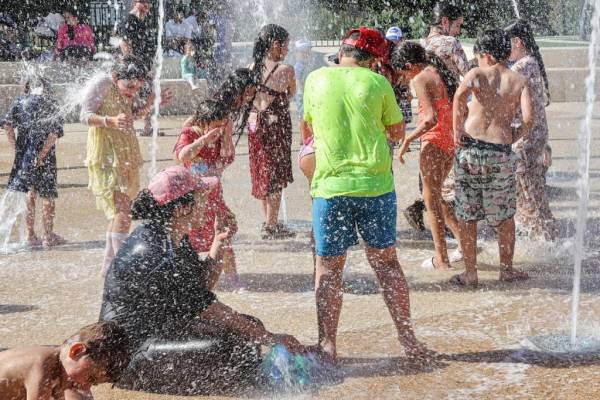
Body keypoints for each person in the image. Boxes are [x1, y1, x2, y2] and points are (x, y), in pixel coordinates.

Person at [302, 27, 431, 362]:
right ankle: (408, 339)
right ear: (374, 60)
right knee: (387, 264)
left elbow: (308, 129)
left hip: (330, 188)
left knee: (328, 269)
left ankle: (327, 345)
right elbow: (397, 130)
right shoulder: (378, 83)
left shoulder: (315, 80)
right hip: (375, 187)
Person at [99, 166, 306, 366]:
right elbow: (209, 309)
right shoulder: (156, 250)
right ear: (183, 208)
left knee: (250, 328)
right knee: (235, 346)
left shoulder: (172, 236)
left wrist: (219, 242)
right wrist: (272, 338)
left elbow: (202, 286)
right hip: (129, 352)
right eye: (201, 197)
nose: (207, 203)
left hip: (159, 330)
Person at [451, 29, 535, 287]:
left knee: (466, 214)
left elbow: (458, 98)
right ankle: (506, 270)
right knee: (505, 217)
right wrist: (514, 135)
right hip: (500, 154)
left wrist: (457, 131)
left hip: (471, 150)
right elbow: (529, 119)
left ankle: (470, 273)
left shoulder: (476, 74)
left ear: (485, 54)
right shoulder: (519, 80)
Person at [79, 56, 169, 277]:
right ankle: (122, 267)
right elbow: (83, 115)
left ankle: (109, 267)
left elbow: (131, 116)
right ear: (116, 76)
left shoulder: (125, 90)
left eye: (136, 88)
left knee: (121, 211)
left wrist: (150, 103)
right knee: (125, 212)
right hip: (108, 153)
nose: (131, 92)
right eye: (129, 87)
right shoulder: (103, 83)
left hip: (125, 149)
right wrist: (109, 121)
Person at [392, 42, 463, 270]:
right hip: (449, 141)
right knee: (439, 199)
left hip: (432, 142)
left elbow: (430, 118)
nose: (404, 78)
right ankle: (464, 246)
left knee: (431, 200)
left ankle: (441, 260)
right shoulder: (439, 71)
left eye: (403, 72)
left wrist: (408, 140)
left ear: (410, 65)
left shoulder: (420, 78)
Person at [404, 1, 470, 235]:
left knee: (430, 173)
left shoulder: (420, 45)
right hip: (448, 112)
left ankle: (426, 210)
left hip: (424, 111)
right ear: (445, 22)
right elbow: (468, 75)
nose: (459, 30)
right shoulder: (450, 43)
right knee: (450, 172)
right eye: (458, 25)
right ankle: (455, 231)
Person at [175, 100, 245, 292]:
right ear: (203, 122)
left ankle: (234, 280)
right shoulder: (189, 133)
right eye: (215, 125)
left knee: (224, 236)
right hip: (193, 198)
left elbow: (228, 157)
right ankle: (189, 281)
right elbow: (182, 156)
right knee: (188, 240)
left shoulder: (222, 134)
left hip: (214, 195)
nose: (218, 129)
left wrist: (227, 134)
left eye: (221, 125)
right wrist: (203, 140)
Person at [504, 19, 556, 241]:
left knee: (529, 194)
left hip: (524, 139)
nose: (505, 49)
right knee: (533, 191)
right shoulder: (533, 62)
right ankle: (544, 236)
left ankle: (545, 241)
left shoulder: (521, 66)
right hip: (536, 137)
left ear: (517, 41)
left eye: (508, 43)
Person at [3, 77, 66, 248]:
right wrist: (42, 155)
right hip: (45, 156)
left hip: (25, 154)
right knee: (47, 195)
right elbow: (54, 134)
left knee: (31, 194)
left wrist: (16, 148)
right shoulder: (51, 102)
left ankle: (30, 236)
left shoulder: (20, 101)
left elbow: (7, 125)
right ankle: (48, 236)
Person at [248, 24, 296, 239]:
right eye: (285, 45)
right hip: (277, 126)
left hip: (255, 126)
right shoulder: (286, 70)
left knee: (261, 171)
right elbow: (292, 93)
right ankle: (271, 226)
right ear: (275, 45)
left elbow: (248, 99)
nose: (287, 49)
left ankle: (269, 220)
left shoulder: (251, 68)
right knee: (275, 174)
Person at [0, 321, 130, 400]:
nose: (86, 386)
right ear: (77, 351)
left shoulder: (59, 367)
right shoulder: (42, 367)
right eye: (91, 378)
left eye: (93, 384)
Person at [118, 0, 158, 137]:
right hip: (134, 67)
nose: (147, 5)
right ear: (135, 2)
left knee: (148, 96)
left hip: (144, 66)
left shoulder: (146, 21)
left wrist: (148, 67)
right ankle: (128, 128)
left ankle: (148, 127)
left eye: (149, 2)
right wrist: (132, 67)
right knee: (131, 99)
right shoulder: (130, 20)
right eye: (143, 1)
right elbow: (124, 44)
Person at [293, 39, 312, 123]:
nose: (309, 54)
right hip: (302, 93)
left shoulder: (303, 64)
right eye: (307, 51)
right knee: (303, 112)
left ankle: (304, 126)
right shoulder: (299, 66)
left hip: (303, 92)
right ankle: (304, 128)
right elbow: (298, 80)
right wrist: (304, 91)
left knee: (304, 112)